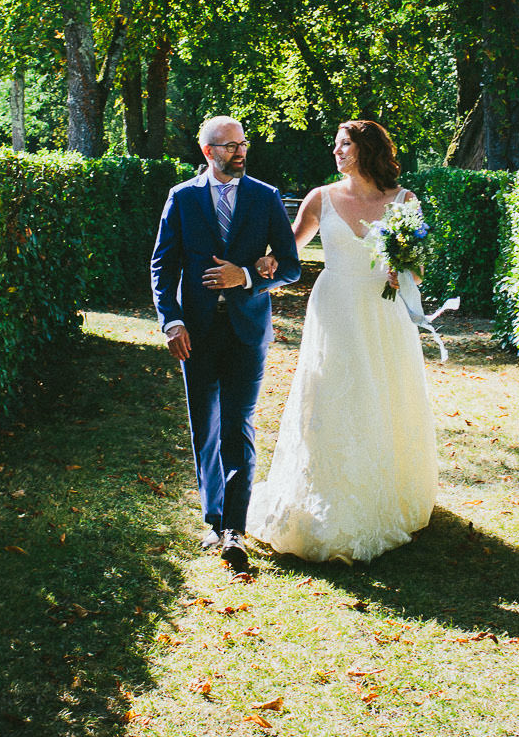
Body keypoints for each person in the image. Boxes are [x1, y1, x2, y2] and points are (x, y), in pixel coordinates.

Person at [246, 119, 438, 564]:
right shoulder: (320, 197)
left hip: (383, 311)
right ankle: (324, 492)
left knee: (384, 394)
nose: (336, 151)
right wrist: (266, 262)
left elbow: (417, 267)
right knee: (331, 393)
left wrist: (403, 270)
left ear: (366, 149)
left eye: (344, 145)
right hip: (334, 308)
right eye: (335, 145)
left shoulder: (404, 201)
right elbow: (289, 249)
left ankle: (383, 493)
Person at [150, 116, 302, 576]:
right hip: (195, 332)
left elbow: (292, 266)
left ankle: (234, 529)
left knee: (238, 424)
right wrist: (171, 322)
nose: (240, 152)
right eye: (229, 146)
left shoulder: (265, 196)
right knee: (206, 427)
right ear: (207, 151)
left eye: (243, 144)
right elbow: (162, 267)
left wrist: (249, 277)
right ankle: (212, 520)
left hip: (246, 330)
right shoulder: (181, 198)